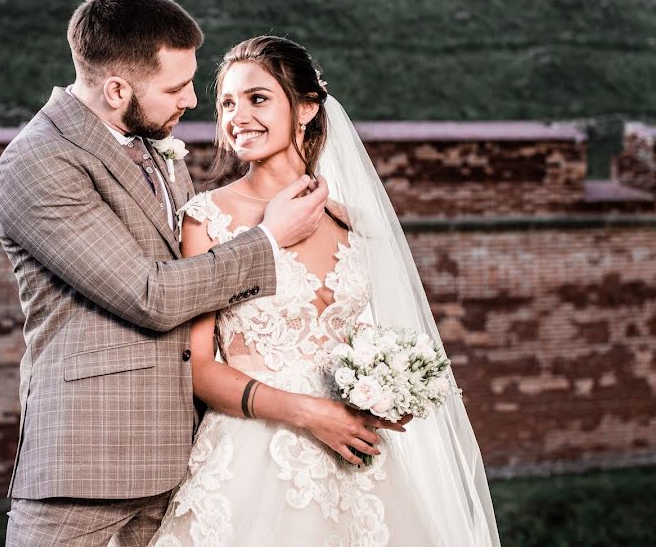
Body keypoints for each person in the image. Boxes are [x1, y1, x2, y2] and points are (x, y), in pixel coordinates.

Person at [0, 0, 341, 547]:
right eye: (177, 88)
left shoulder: (154, 145)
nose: (193, 102)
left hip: (183, 459)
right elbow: (147, 295)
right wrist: (268, 241)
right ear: (116, 89)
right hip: (88, 465)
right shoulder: (38, 162)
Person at [149, 36, 501, 546]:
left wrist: (384, 391)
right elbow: (198, 369)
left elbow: (360, 347)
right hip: (254, 458)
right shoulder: (207, 219)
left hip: (357, 456)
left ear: (307, 108)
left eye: (257, 98)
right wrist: (310, 413)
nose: (237, 115)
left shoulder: (350, 223)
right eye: (227, 102)